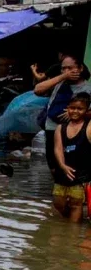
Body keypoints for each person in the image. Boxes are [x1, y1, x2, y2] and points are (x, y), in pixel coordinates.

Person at [35, 56, 91, 178]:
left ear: (80, 68)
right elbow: (38, 90)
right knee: (53, 163)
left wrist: (77, 113)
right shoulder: (59, 83)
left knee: (73, 161)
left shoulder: (88, 88)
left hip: (76, 132)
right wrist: (63, 77)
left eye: (70, 68)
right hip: (52, 128)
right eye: (63, 68)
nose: (66, 71)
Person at [52, 93, 91, 222]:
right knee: (58, 203)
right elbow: (58, 148)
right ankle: (68, 230)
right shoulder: (60, 128)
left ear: (87, 110)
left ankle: (73, 233)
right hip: (62, 174)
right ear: (67, 108)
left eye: (80, 109)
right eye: (72, 108)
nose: (75, 111)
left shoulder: (88, 127)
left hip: (80, 176)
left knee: (76, 203)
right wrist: (62, 166)